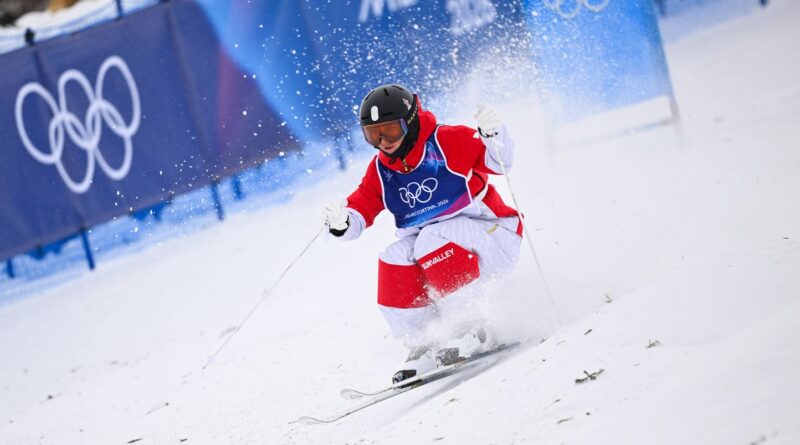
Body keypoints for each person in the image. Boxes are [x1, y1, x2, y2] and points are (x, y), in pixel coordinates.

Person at [322, 84, 522, 384]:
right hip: (447, 249)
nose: (384, 141)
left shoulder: (446, 141)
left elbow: (500, 162)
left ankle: (474, 325)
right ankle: (426, 342)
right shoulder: (381, 170)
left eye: (391, 130)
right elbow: (360, 209)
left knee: (429, 239)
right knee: (394, 258)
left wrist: (494, 134)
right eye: (373, 134)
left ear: (412, 121)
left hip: (495, 236)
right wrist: (342, 222)